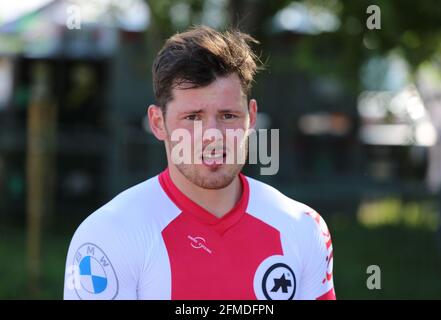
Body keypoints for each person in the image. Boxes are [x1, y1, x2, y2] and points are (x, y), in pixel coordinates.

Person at [63, 25, 335, 300]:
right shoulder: (109, 235)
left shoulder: (303, 227)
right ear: (159, 123)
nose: (212, 136)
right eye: (193, 117)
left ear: (251, 118)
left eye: (228, 115)